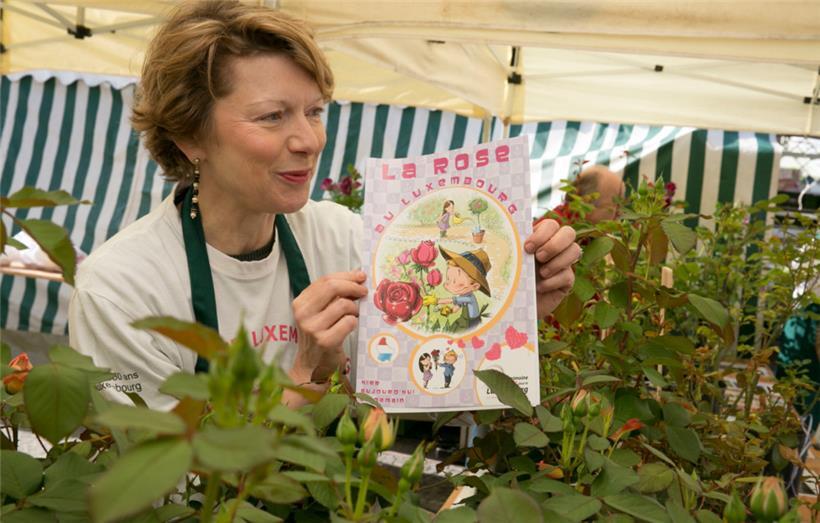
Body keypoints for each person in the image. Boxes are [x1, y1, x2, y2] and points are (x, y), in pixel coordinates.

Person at [68, 0, 580, 411]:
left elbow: (430, 379)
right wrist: (302, 376)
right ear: (188, 136)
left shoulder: (345, 238)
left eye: (314, 111)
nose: (309, 140)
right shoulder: (123, 291)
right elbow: (152, 487)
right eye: (272, 117)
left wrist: (509, 309)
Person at [424, 247, 492, 331]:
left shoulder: (469, 298)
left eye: (454, 281)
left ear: (474, 286)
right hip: (465, 320)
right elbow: (457, 306)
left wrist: (436, 301)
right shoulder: (464, 295)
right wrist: (450, 311)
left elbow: (453, 300)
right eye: (448, 279)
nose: (447, 284)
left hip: (472, 323)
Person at [550, 164, 625, 225]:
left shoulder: (590, 237)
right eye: (615, 205)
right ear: (586, 202)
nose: (620, 213)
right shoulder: (553, 230)